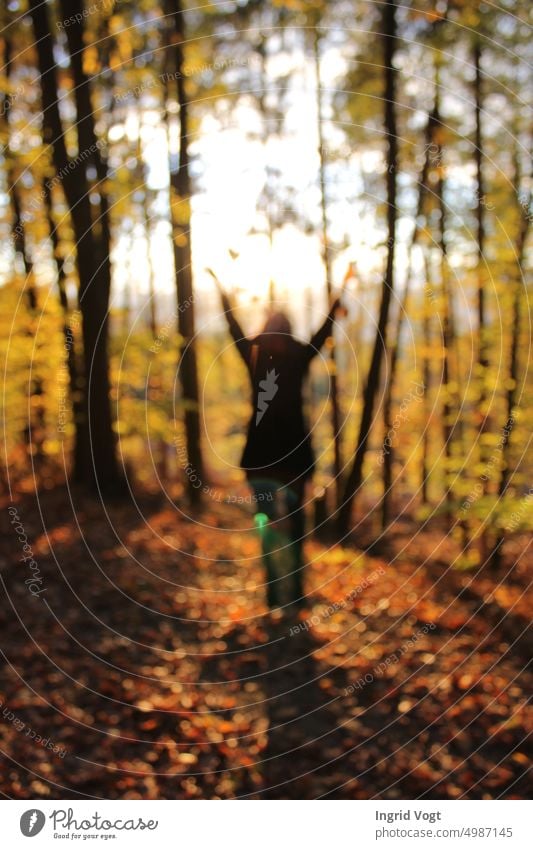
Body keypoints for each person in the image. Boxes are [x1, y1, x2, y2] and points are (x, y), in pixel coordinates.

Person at [215, 277, 342, 607]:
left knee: (266, 521)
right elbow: (324, 331)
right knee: (297, 524)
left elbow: (232, 326)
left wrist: (221, 289)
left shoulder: (253, 353)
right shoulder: (299, 355)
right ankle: (296, 592)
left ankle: (274, 591)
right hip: (296, 456)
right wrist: (339, 293)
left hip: (259, 457)